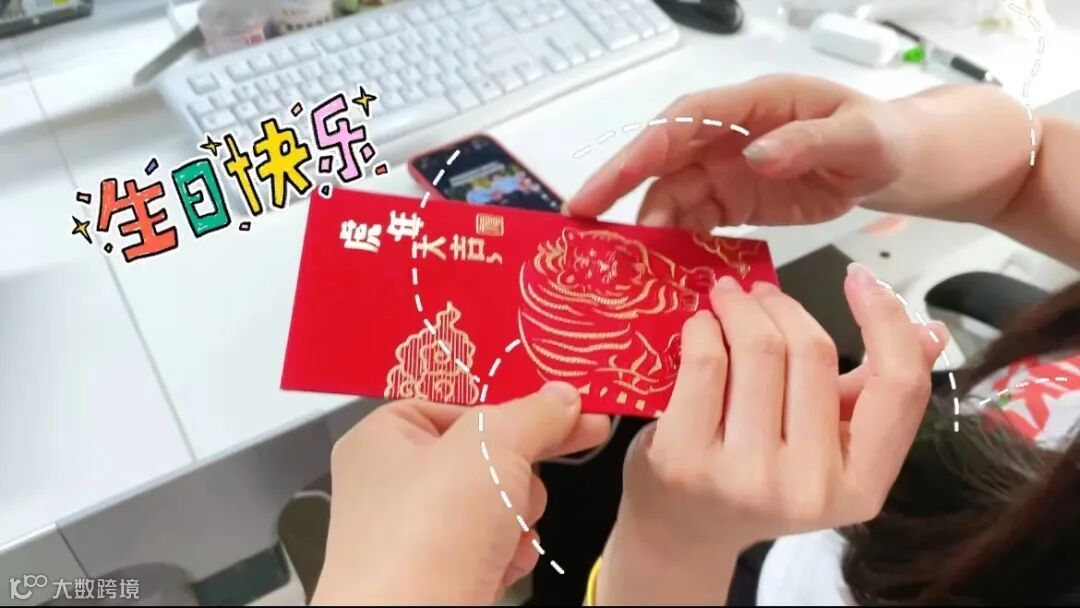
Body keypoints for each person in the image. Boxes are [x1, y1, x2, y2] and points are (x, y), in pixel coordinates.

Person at [312, 74, 1078, 605]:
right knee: (587, 448)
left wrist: (671, 545)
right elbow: (1033, 155)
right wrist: (899, 139)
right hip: (875, 467)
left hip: (722, 570)